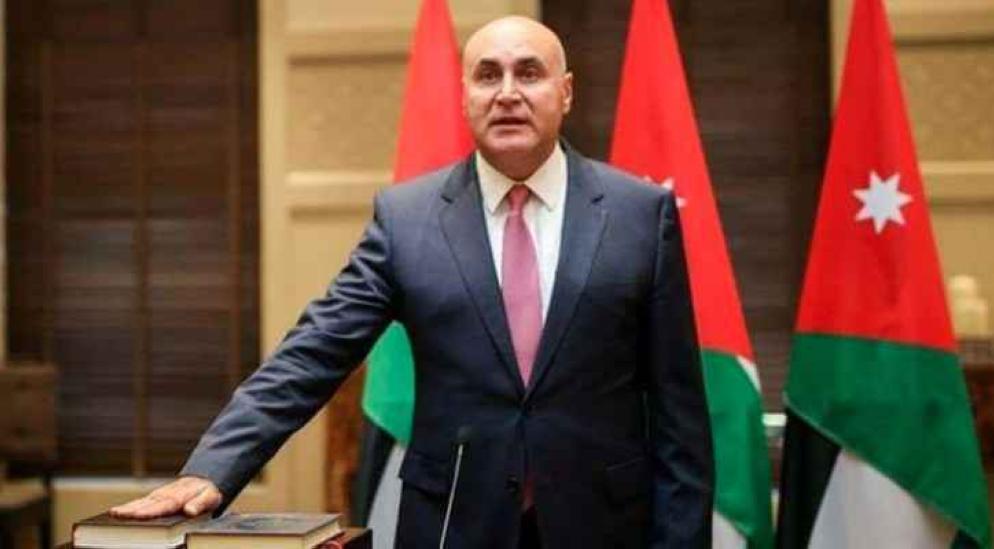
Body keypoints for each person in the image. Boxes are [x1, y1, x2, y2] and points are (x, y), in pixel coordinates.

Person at [111, 16, 713, 548]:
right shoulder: (407, 219)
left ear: (566, 91)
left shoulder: (639, 215)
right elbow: (313, 351)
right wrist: (213, 467)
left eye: (528, 73)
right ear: (465, 97)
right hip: (453, 522)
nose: (507, 92)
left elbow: (680, 415)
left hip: (603, 523)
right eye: (487, 75)